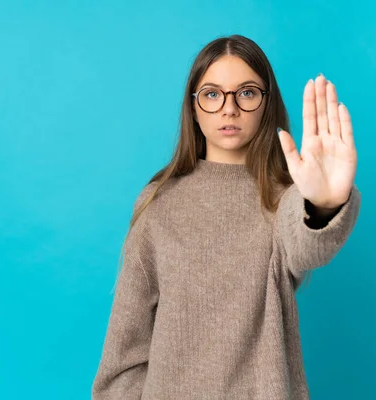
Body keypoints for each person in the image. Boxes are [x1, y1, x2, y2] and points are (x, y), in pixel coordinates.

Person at [91, 34, 361, 400]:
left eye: (247, 93)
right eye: (213, 94)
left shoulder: (286, 199)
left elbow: (307, 250)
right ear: (193, 106)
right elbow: (125, 353)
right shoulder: (159, 201)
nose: (229, 108)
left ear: (267, 103)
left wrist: (323, 205)